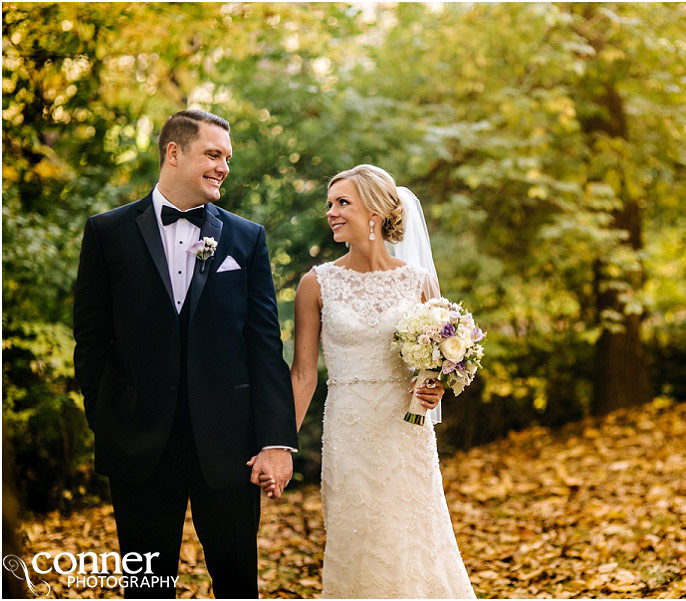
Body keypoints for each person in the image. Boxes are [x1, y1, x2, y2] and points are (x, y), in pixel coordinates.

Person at [73, 109, 297, 598]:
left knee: (238, 584)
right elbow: (91, 338)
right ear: (173, 153)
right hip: (138, 443)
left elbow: (264, 345)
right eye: (213, 154)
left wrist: (276, 440)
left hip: (229, 444)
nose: (224, 167)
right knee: (147, 586)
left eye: (227, 158)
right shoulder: (107, 233)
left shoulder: (246, 237)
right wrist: (105, 415)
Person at [268, 164, 475, 597]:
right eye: (330, 203)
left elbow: (434, 366)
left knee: (413, 544)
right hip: (349, 433)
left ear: (374, 214)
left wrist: (433, 388)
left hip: (406, 435)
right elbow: (304, 375)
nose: (331, 212)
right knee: (358, 545)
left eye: (343, 202)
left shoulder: (418, 281)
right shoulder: (316, 283)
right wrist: (278, 445)